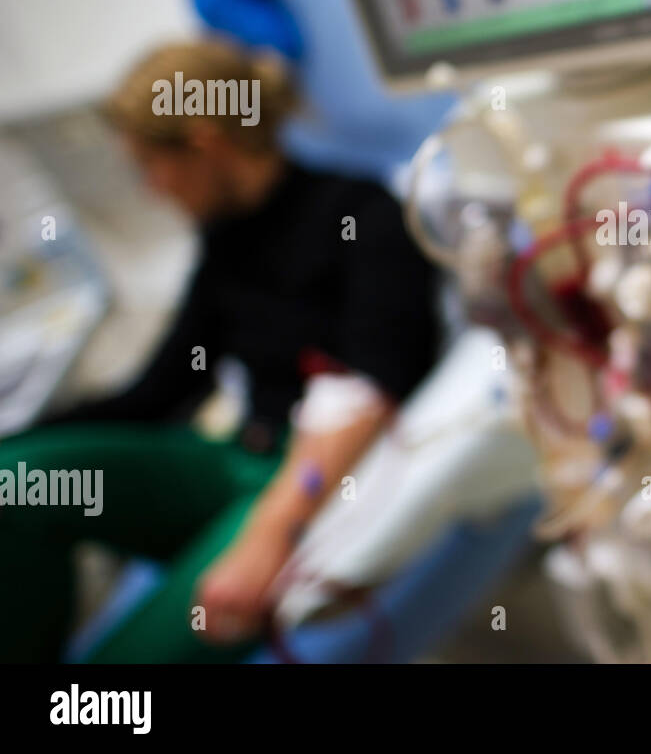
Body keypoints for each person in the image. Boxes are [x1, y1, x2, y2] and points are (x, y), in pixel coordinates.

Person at [0, 39, 445, 662]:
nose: (149, 189)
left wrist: (268, 535)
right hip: (235, 462)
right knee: (15, 486)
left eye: (149, 166)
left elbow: (373, 392)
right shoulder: (228, 237)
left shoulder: (364, 218)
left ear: (206, 142)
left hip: (312, 483)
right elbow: (159, 393)